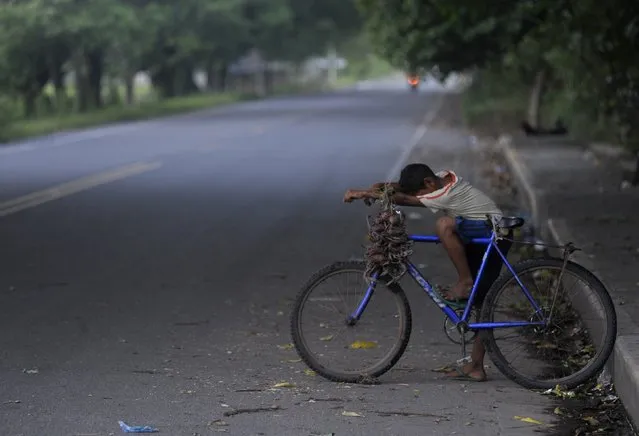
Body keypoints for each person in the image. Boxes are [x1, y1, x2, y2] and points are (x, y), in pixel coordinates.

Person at [343, 163, 512, 382]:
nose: (420, 196)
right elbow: (402, 189)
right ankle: (475, 367)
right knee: (481, 302)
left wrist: (364, 193)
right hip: (479, 229)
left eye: (421, 193)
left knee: (443, 225)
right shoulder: (442, 177)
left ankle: (465, 280)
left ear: (429, 183)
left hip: (493, 234)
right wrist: (381, 186)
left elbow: (405, 199)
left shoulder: (443, 194)